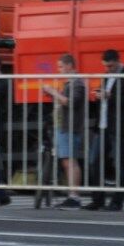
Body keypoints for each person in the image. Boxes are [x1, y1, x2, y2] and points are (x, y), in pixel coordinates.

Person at [87, 49, 124, 210]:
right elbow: (105, 99)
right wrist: (99, 95)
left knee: (120, 163)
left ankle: (117, 201)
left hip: (118, 125)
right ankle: (98, 199)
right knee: (94, 161)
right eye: (105, 66)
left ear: (118, 61)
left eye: (110, 66)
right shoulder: (106, 76)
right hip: (103, 125)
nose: (107, 69)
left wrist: (110, 96)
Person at [45, 53, 87, 208]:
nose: (60, 70)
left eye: (61, 67)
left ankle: (74, 196)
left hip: (70, 127)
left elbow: (70, 102)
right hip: (64, 127)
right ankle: (72, 194)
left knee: (71, 162)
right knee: (67, 162)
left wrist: (53, 92)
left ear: (70, 65)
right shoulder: (70, 83)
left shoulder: (77, 83)